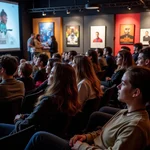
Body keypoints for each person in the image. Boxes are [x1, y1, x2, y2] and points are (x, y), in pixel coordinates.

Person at [24, 66, 150, 150]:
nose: (118, 87)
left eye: (123, 84)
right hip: (88, 145)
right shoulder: (125, 112)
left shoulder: (135, 126)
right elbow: (103, 132)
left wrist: (82, 146)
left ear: (136, 92)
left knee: (39, 137)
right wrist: (85, 137)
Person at [0, 63, 81, 140]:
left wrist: (18, 120)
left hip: (30, 137)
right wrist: (24, 116)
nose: (48, 75)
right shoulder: (71, 100)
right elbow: (40, 117)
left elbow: (23, 127)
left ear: (58, 78)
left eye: (52, 73)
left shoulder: (49, 101)